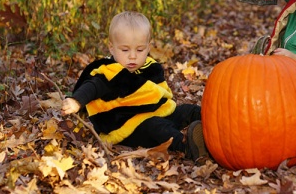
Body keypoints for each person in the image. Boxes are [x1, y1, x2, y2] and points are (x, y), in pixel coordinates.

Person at [61, 11, 208, 162]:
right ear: (112, 48)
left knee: (188, 110)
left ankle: (216, 124)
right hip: (130, 127)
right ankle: (189, 147)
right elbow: (92, 86)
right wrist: (76, 101)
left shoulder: (149, 66)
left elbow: (157, 94)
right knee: (158, 128)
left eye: (139, 50)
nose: (133, 56)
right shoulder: (110, 72)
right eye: (125, 50)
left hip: (156, 112)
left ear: (148, 47)